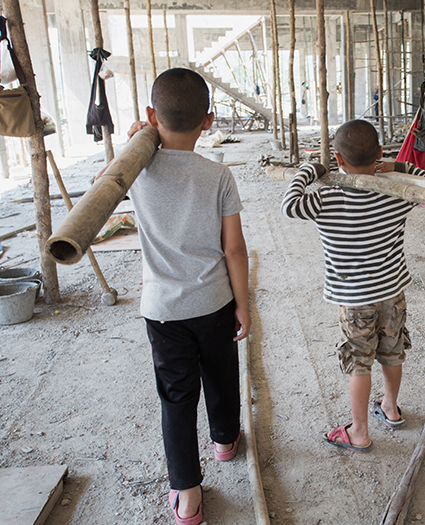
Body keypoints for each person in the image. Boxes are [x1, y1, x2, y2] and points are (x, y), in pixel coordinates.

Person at [126, 68, 250, 525]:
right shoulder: (218, 175)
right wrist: (243, 304)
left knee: (176, 398)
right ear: (209, 121)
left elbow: (103, 183)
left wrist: (132, 142)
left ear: (150, 115)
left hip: (162, 310)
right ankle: (225, 441)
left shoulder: (134, 171)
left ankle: (188, 495)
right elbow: (233, 249)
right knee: (221, 374)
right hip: (214, 302)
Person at [281, 119, 425, 452]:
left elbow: (289, 205)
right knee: (392, 350)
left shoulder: (325, 199)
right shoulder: (396, 193)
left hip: (354, 299)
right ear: (379, 152)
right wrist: (397, 166)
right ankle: (390, 409)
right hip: (392, 292)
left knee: (359, 362)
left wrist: (309, 170)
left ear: (338, 159)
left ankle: (360, 432)